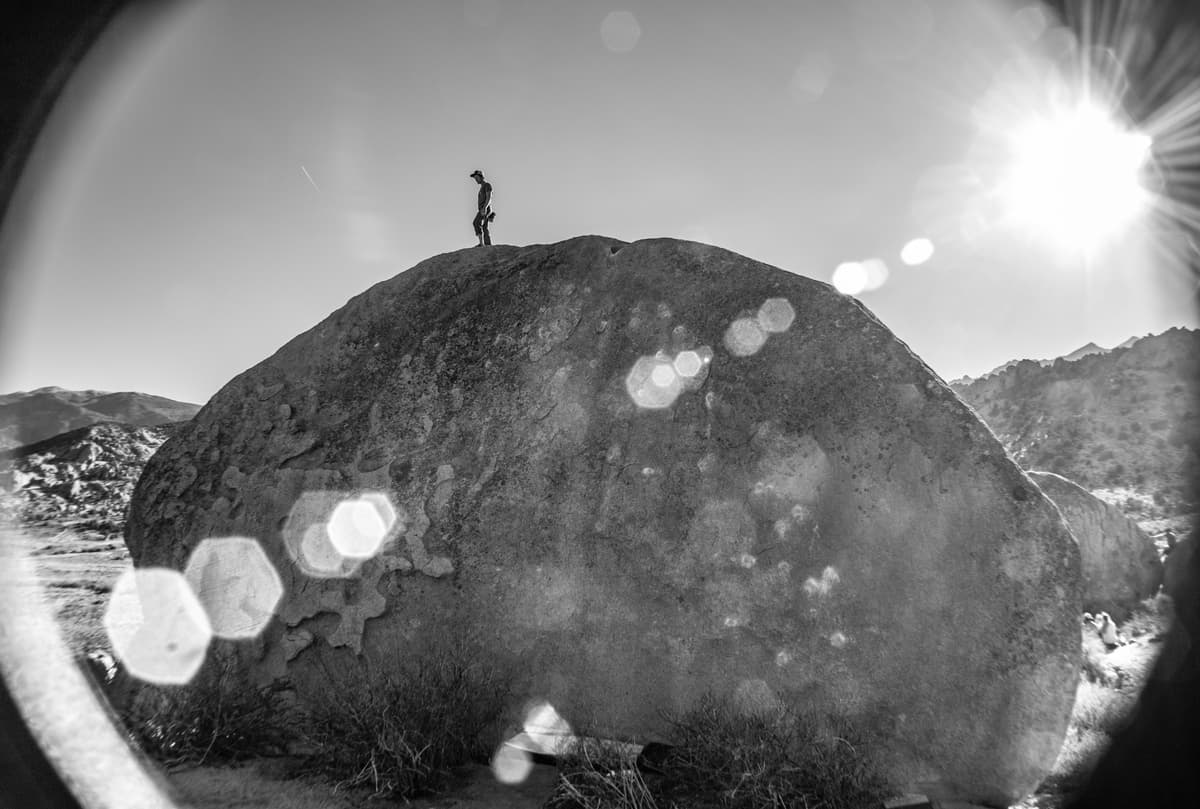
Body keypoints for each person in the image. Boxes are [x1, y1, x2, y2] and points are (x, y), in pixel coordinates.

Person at [469, 169, 494, 246]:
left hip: (485, 208)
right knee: (484, 227)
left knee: (476, 222)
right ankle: (488, 244)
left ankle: (481, 243)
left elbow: (489, 197)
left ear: (481, 177)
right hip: (483, 208)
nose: (476, 180)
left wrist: (485, 207)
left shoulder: (487, 185)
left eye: (477, 178)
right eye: (475, 178)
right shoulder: (482, 187)